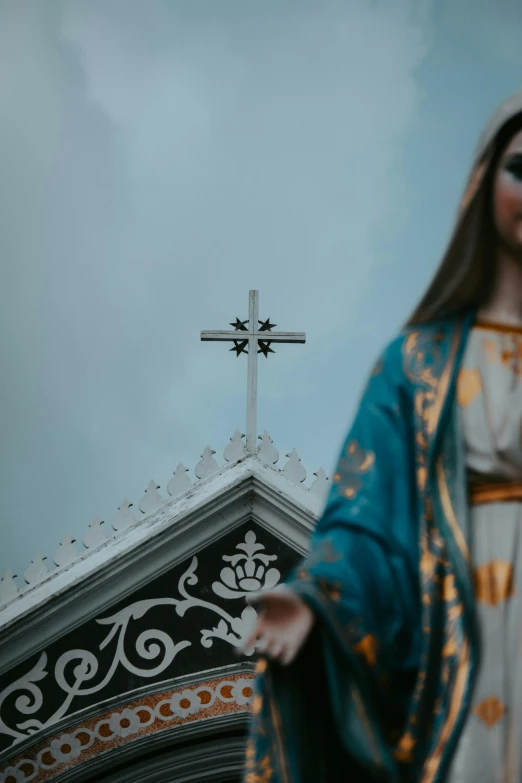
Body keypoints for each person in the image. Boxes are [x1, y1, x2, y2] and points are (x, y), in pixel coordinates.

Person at [241, 93, 522, 783]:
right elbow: (367, 526)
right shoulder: (418, 366)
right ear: (483, 186)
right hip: (466, 627)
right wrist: (316, 599)